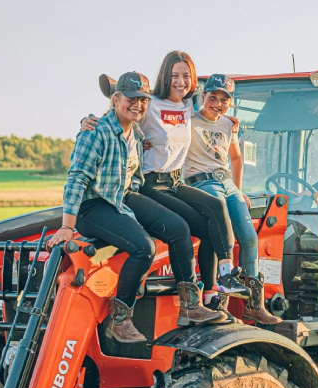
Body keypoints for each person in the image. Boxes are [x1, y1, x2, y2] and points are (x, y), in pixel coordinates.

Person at [49, 71, 225, 343]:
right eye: (131, 99)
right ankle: (120, 319)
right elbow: (76, 179)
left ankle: (190, 306)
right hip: (94, 205)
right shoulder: (95, 132)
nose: (138, 104)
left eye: (143, 100)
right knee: (144, 248)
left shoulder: (136, 132)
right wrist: (66, 228)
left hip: (123, 197)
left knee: (180, 228)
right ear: (116, 98)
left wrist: (225, 121)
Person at [81, 51, 248, 303]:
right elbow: (118, 115)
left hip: (175, 181)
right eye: (175, 76)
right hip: (151, 182)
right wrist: (86, 120)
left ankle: (217, 285)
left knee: (212, 213)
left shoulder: (188, 106)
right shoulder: (151, 105)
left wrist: (226, 120)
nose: (180, 81)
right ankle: (191, 300)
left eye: (186, 76)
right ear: (165, 77)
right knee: (181, 227)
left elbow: (210, 112)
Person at [182, 74, 281, 324]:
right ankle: (219, 302)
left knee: (248, 238)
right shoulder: (188, 121)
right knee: (221, 229)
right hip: (202, 182)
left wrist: (238, 190)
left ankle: (253, 306)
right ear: (202, 97)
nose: (217, 103)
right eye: (212, 97)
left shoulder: (228, 125)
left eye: (224, 99)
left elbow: (235, 158)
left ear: (230, 103)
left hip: (226, 183)